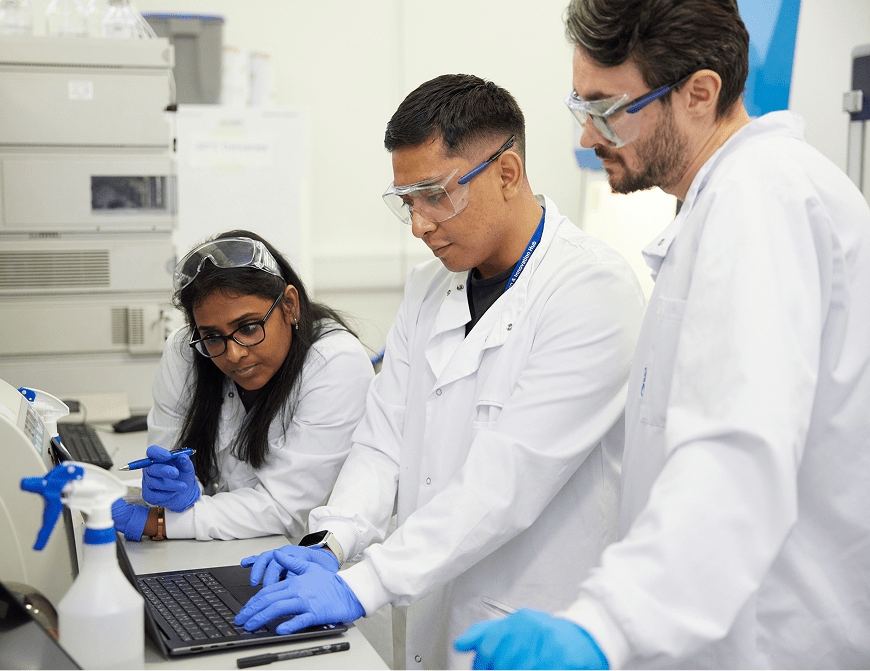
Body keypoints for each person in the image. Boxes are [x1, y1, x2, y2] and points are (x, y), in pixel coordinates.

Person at [455, 1, 870, 669]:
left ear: (698, 94)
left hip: (776, 643)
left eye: (605, 109)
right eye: (579, 108)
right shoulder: (723, 202)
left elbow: (735, 451)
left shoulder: (761, 200)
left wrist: (604, 626)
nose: (587, 138)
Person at [233, 74, 646, 670]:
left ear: (506, 174)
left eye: (434, 195)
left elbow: (505, 483)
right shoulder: (429, 289)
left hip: (530, 630)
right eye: (407, 201)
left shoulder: (591, 291)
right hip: (428, 612)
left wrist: (362, 585)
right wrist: (332, 540)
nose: (420, 225)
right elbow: (382, 441)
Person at [111, 230, 375, 542]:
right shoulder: (187, 351)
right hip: (216, 549)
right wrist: (170, 492)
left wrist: (158, 523)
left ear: (289, 306)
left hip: (304, 561)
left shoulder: (335, 362)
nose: (234, 353)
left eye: (248, 328)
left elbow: (286, 508)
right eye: (212, 336)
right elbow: (168, 463)